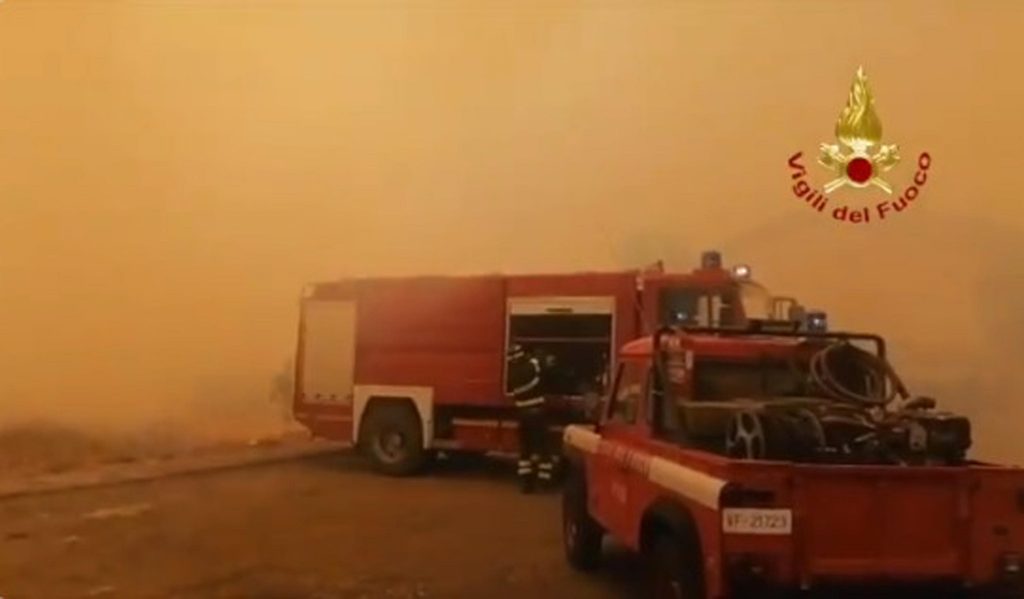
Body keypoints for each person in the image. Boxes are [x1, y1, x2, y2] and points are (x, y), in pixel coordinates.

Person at [507, 344, 556, 493]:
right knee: (544, 449)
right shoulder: (533, 365)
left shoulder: (512, 374)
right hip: (538, 414)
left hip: (522, 414)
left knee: (525, 450)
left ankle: (526, 484)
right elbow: (549, 369)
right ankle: (544, 482)